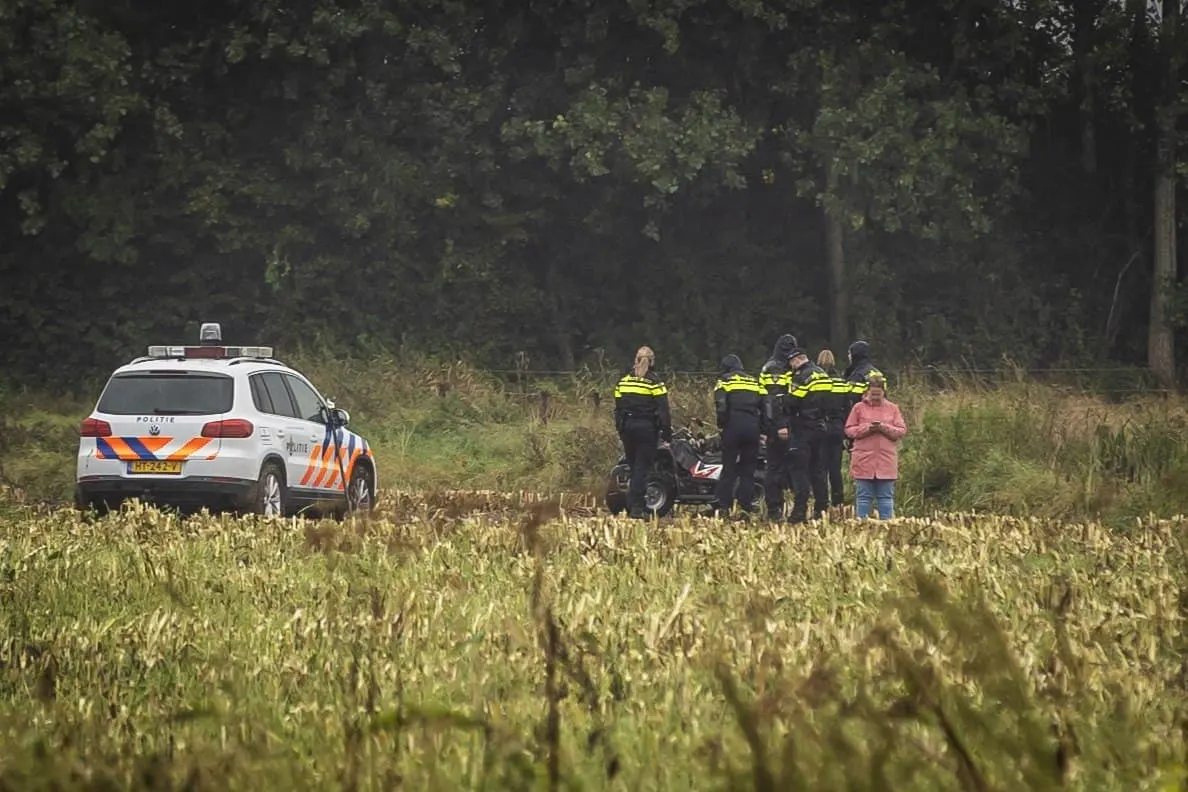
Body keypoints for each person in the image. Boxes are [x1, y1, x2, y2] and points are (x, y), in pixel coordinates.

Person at [613, 346, 673, 519]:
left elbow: (618, 407)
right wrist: (666, 434)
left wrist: (620, 427)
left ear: (636, 360)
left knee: (633, 467)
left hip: (627, 428)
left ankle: (632, 504)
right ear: (652, 361)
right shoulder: (655, 382)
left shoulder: (623, 381)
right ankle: (638, 508)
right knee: (642, 469)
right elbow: (663, 410)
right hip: (646, 429)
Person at [844, 375, 907, 519]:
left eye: (879, 394)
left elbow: (901, 430)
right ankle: (862, 526)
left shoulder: (893, 408)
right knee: (863, 497)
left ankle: (887, 526)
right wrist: (867, 429)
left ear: (884, 392)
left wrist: (883, 428)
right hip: (863, 459)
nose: (876, 397)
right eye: (873, 394)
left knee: (885, 497)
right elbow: (849, 430)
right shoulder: (858, 408)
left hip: (886, 460)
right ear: (867, 392)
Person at [783, 348, 832, 523]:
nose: (790, 366)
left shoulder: (801, 376)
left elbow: (793, 401)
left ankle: (799, 512)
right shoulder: (822, 374)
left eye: (791, 363)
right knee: (818, 471)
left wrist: (782, 400)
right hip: (821, 426)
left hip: (802, 427)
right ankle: (821, 510)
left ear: (796, 360)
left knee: (799, 470)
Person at [712, 354, 764, 518]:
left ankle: (723, 506)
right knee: (748, 471)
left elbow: (721, 405)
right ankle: (745, 507)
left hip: (733, 427)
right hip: (752, 428)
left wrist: (722, 424)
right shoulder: (754, 381)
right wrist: (762, 428)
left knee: (728, 468)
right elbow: (766, 406)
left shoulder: (724, 381)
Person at [759, 333, 798, 520]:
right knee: (774, 468)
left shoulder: (774, 366)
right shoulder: (775, 368)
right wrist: (778, 425)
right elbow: (773, 399)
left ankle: (781, 507)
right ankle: (774, 509)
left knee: (784, 467)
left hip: (781, 423)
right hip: (777, 426)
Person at [817, 349, 849, 510]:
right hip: (837, 426)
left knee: (820, 467)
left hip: (822, 426)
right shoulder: (842, 381)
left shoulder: (817, 379)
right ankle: (839, 501)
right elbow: (846, 405)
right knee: (835, 469)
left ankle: (822, 502)